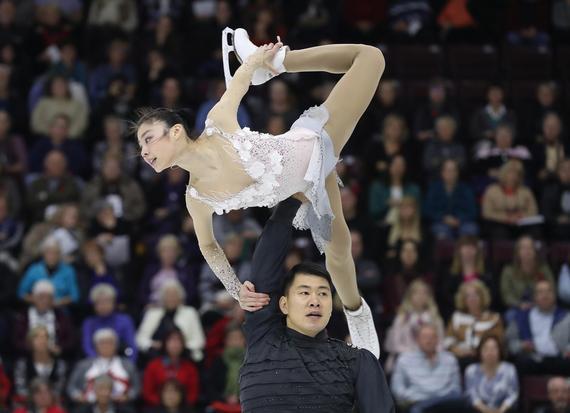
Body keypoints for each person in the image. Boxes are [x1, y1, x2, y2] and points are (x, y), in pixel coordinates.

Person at [136, 28, 386, 356]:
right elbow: (208, 245)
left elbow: (240, 80)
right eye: (140, 145)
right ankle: (355, 311)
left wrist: (258, 58)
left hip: (315, 141)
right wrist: (236, 289)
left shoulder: (217, 124)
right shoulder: (196, 198)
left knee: (370, 57)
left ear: (177, 132)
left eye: (148, 138)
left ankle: (283, 61)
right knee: (339, 250)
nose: (143, 150)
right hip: (304, 188)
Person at [234, 198, 393, 411]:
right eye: (304, 292)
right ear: (284, 304)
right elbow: (265, 267)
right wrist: (291, 199)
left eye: (323, 293)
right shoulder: (263, 337)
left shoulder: (355, 360)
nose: (315, 301)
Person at [391, 323, 464, 413]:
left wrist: (432, 400)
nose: (429, 340)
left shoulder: (450, 359)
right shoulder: (404, 360)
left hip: (445, 403)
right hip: (416, 402)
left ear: (437, 339)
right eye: (425, 337)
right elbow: (397, 389)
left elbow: (456, 388)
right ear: (417, 340)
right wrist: (416, 397)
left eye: (432, 337)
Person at [506, 280, 570, 375]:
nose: (545, 296)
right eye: (540, 292)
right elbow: (509, 342)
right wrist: (521, 345)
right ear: (534, 297)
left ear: (554, 296)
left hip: (559, 359)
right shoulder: (521, 316)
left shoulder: (566, 316)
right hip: (532, 359)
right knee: (520, 362)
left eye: (549, 291)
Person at [136, 279, 205, 362]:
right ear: (162, 297)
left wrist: (179, 347)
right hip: (156, 356)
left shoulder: (190, 313)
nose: (171, 298)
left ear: (180, 297)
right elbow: (140, 339)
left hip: (184, 357)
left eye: (174, 295)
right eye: (168, 295)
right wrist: (153, 344)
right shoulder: (152, 313)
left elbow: (199, 340)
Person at [67, 329, 140, 405]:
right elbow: (71, 387)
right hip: (89, 405)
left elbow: (136, 388)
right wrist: (78, 396)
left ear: (116, 345)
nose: (106, 346)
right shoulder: (83, 365)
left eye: (109, 343)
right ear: (96, 346)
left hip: (119, 406)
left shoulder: (128, 365)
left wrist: (127, 396)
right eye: (102, 343)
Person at [384, 279, 444, 372]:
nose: (420, 296)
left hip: (430, 357)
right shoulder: (402, 317)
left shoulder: (434, 317)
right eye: (417, 293)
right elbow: (395, 344)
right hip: (407, 357)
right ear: (410, 296)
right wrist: (413, 354)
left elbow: (440, 342)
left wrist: (431, 353)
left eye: (424, 293)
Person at [444, 281, 504, 368]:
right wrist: (458, 351)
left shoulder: (494, 319)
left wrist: (478, 352)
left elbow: (498, 342)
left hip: (485, 359)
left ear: (482, 297)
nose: (472, 299)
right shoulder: (456, 317)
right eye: (468, 296)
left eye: (476, 295)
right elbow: (448, 340)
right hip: (461, 359)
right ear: (463, 299)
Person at [12, 280, 75, 358]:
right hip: (28, 356)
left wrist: (60, 348)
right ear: (33, 298)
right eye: (41, 297)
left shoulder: (61, 316)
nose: (45, 301)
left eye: (48, 298)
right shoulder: (23, 316)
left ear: (52, 300)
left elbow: (70, 340)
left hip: (55, 357)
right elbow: (16, 340)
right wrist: (32, 348)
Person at [481, 160, 540, 239]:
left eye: (517, 174)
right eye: (510, 173)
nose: (513, 176)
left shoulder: (526, 191)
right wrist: (507, 218)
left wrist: (521, 216)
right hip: (499, 223)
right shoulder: (491, 190)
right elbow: (487, 212)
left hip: (521, 223)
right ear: (503, 174)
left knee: (535, 231)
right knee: (499, 232)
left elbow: (533, 210)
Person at [142, 329, 199, 408]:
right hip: (158, 408)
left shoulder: (190, 368)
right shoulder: (153, 366)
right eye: (171, 340)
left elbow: (193, 394)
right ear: (165, 343)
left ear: (183, 344)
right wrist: (164, 403)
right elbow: (147, 393)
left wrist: (180, 405)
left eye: (178, 340)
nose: (175, 344)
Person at [81, 284, 137, 362]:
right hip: (96, 364)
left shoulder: (125, 320)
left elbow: (132, 347)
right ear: (94, 305)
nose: (103, 305)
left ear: (114, 302)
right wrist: (102, 364)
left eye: (107, 301)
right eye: (99, 302)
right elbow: (87, 348)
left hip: (121, 362)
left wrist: (128, 365)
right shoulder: (89, 323)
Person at [17, 237, 80, 307]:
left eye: (55, 253)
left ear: (60, 255)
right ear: (43, 254)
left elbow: (75, 296)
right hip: (36, 308)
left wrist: (57, 303)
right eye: (49, 253)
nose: (52, 256)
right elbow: (21, 293)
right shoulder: (34, 269)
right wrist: (39, 301)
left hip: (59, 308)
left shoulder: (68, 271)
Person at [424, 159, 478, 240]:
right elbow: (428, 210)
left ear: (457, 173)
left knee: (470, 230)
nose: (451, 173)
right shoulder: (434, 188)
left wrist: (459, 219)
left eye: (453, 170)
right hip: (440, 222)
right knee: (441, 232)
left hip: (463, 222)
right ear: (442, 173)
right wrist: (443, 218)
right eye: (448, 170)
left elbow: (473, 211)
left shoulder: (466, 188)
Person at [13, 325, 67, 405]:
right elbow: (20, 387)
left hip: (53, 403)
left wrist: (47, 399)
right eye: (37, 338)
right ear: (30, 342)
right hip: (28, 404)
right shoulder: (22, 364)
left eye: (45, 337)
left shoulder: (60, 364)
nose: (42, 341)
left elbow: (60, 387)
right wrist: (36, 400)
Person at [464, 335, 519, 413]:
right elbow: (472, 396)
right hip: (479, 410)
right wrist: (485, 410)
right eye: (486, 349)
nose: (490, 352)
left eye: (494, 349)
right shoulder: (471, 370)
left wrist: (501, 411)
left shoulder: (509, 369)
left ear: (500, 350)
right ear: (480, 351)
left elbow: (512, 395)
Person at [500, 235, 554, 311]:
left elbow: (552, 289)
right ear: (517, 252)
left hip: (541, 306)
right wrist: (519, 304)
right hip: (517, 308)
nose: (527, 251)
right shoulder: (508, 271)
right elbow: (507, 295)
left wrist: (539, 303)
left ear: (535, 251)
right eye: (523, 248)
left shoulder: (544, 269)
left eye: (530, 247)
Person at [542, 159, 570, 240]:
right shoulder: (550, 190)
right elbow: (546, 213)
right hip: (556, 228)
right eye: (564, 170)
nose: (568, 173)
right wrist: (557, 219)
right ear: (558, 172)